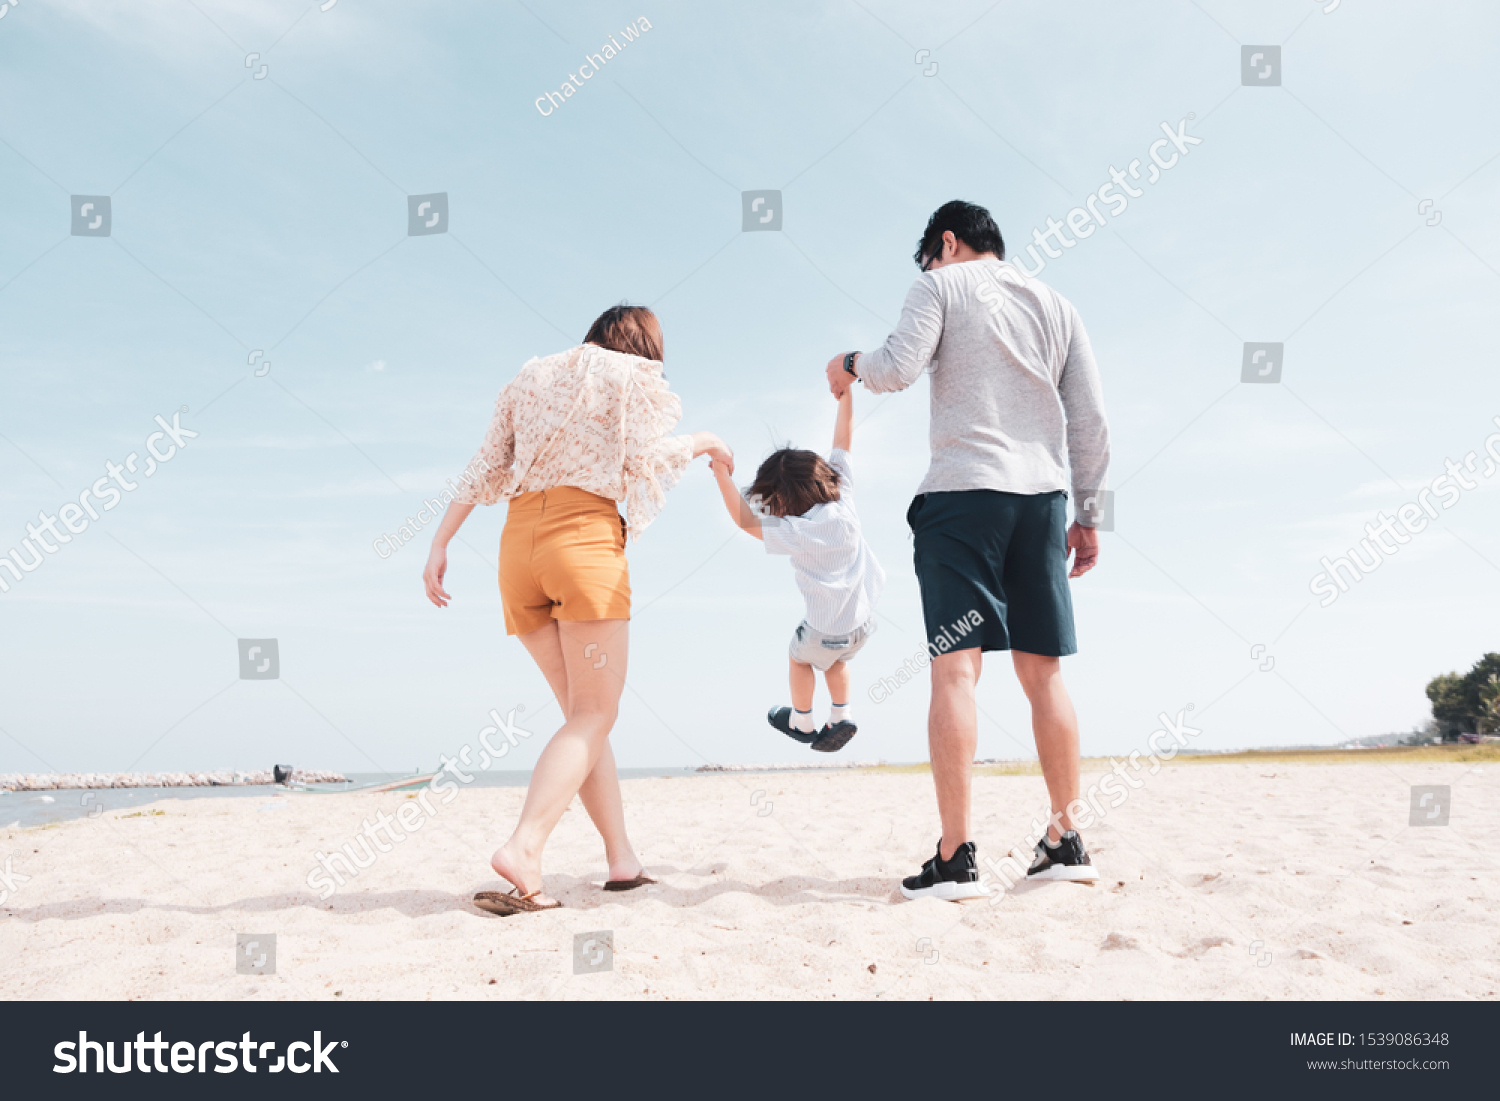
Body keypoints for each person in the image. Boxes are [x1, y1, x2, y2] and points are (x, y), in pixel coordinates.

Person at [824, 200, 1110, 900]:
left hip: (962, 499)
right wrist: (1090, 513)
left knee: (956, 671)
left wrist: (848, 362)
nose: (928, 267)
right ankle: (1065, 837)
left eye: (930, 255)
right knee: (1045, 677)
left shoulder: (938, 285)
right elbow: (1092, 417)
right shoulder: (1057, 304)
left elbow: (897, 367)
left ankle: (956, 857)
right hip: (1041, 502)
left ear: (947, 243)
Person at [423, 305, 732, 915]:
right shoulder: (629, 376)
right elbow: (646, 461)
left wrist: (440, 541)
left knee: (582, 718)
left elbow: (486, 462)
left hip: (518, 551)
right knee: (593, 714)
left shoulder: (531, 376)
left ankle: (622, 860)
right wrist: (705, 441)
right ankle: (525, 846)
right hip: (582, 543)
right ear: (643, 345)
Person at [710, 386, 885, 753]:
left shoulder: (795, 530)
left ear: (783, 499)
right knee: (836, 660)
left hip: (822, 629)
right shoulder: (845, 497)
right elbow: (843, 442)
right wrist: (846, 396)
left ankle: (802, 721)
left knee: (799, 657)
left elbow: (745, 522)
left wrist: (721, 476)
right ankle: (841, 715)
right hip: (861, 625)